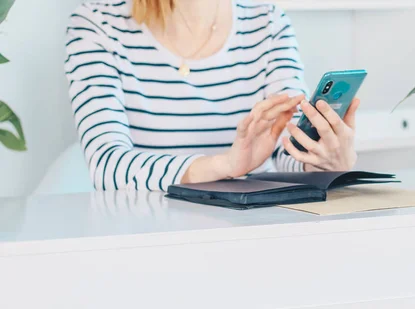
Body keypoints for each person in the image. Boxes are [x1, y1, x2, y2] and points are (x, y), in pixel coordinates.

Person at [65, 0, 360, 191]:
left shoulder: (268, 23)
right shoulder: (97, 23)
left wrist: (323, 161)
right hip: (146, 240)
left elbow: (287, 151)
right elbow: (107, 166)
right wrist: (225, 166)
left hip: (252, 235)